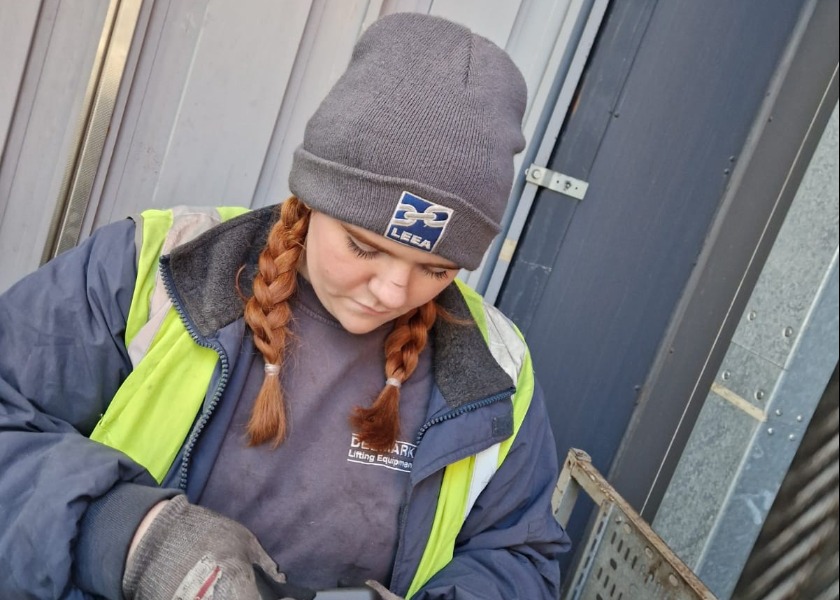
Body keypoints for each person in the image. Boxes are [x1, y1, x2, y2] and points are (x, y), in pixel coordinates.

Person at [0, 12, 570, 600]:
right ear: (310, 198)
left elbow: (516, 553)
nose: (394, 293)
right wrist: (133, 537)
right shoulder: (160, 270)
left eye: (436, 269)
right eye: (363, 246)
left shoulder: (496, 366)